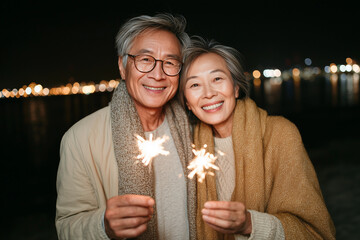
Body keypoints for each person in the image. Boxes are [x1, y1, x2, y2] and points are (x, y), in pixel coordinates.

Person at [55, 13, 197, 240]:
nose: (158, 74)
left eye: (170, 63)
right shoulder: (80, 139)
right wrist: (102, 226)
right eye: (145, 60)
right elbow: (67, 225)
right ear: (122, 67)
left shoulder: (192, 130)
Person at [178, 37, 336, 239]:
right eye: (195, 85)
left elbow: (316, 233)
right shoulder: (187, 149)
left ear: (235, 87)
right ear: (187, 103)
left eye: (217, 79)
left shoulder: (280, 135)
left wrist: (249, 224)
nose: (208, 93)